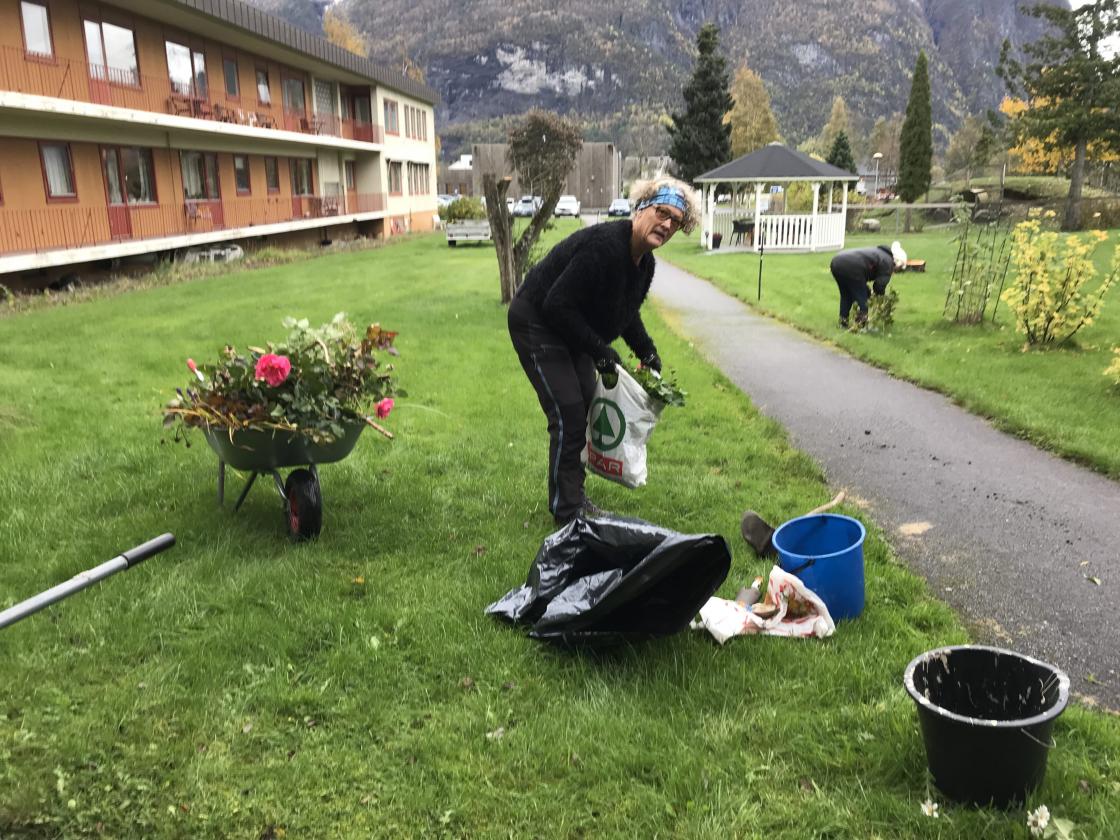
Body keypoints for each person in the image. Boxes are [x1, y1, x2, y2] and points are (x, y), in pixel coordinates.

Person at [508, 177, 700, 526]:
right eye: (661, 212)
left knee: (584, 405)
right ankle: (567, 513)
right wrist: (600, 350)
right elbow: (556, 304)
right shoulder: (605, 247)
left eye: (676, 220)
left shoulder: (645, 264)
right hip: (537, 320)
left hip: (571, 326)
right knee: (568, 411)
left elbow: (624, 313)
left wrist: (647, 350)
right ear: (641, 208)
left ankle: (574, 498)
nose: (667, 225)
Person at [830, 241, 907, 327]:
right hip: (852, 267)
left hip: (836, 262)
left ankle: (843, 323)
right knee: (863, 299)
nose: (897, 270)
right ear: (897, 262)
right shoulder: (888, 262)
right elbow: (879, 285)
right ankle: (860, 325)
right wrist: (879, 300)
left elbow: (866, 282)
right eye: (899, 268)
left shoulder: (879, 253)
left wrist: (870, 292)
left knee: (846, 295)